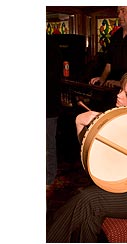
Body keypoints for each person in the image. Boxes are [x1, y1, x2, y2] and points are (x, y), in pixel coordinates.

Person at [47, 66, 127, 243]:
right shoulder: (120, 112)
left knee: (87, 200)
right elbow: (94, 152)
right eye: (121, 90)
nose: (119, 96)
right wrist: (81, 125)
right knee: (88, 216)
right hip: (117, 183)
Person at [46, 34, 62, 188]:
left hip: (48, 104)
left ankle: (48, 179)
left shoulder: (50, 44)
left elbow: (53, 76)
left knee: (48, 143)